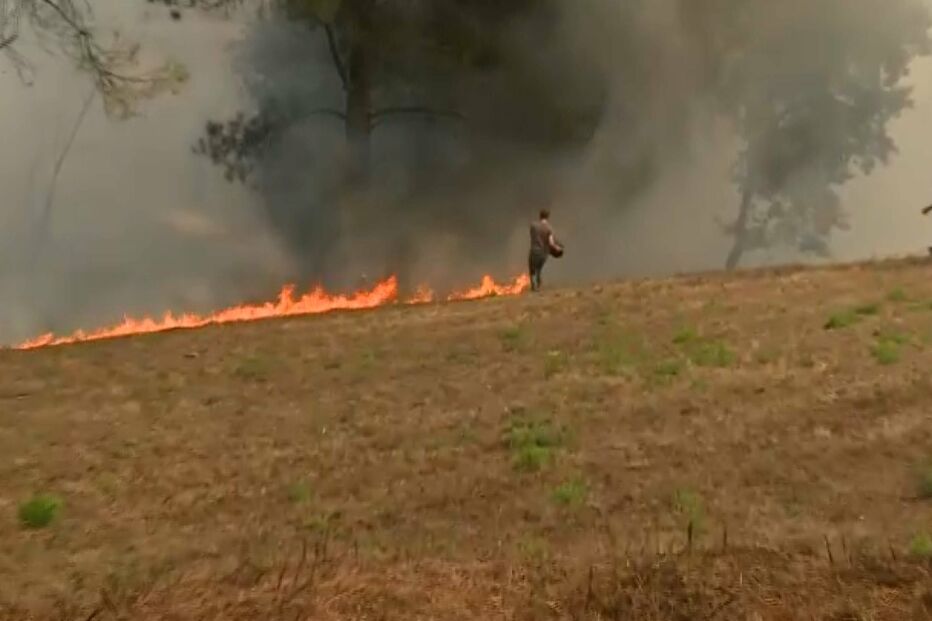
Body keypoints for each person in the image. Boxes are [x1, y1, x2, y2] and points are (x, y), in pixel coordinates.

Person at [528, 208, 561, 292]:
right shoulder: (549, 228)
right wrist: (558, 248)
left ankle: (534, 286)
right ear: (548, 217)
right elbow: (551, 243)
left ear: (540, 216)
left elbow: (532, 235)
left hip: (534, 251)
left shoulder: (533, 225)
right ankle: (538, 284)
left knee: (532, 270)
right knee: (539, 269)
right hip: (543, 253)